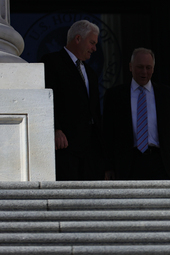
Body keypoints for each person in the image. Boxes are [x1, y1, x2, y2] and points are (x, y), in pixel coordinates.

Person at [103, 48, 170, 180]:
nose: (144, 72)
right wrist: (108, 166)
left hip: (161, 162)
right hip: (128, 164)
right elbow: (108, 134)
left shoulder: (167, 95)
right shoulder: (115, 96)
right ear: (130, 67)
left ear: (153, 69)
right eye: (140, 67)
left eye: (148, 67)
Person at [41, 20, 104, 181]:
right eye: (92, 43)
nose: (94, 49)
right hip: (66, 146)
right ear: (77, 39)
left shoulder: (90, 73)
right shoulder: (51, 62)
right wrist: (55, 128)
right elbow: (46, 98)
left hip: (91, 150)